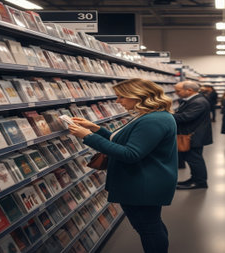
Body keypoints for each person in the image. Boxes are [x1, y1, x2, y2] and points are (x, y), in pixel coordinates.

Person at [68, 78, 178, 253]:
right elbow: (124, 141)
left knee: (148, 228)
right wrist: (96, 129)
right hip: (145, 179)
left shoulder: (153, 120)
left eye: (121, 97)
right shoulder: (153, 116)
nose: (118, 101)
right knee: (151, 224)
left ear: (138, 96)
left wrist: (88, 137)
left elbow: (130, 154)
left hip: (143, 183)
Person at [174, 81, 212, 190]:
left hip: (194, 136)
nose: (176, 93)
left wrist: (166, 115)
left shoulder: (198, 102)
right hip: (192, 134)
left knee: (195, 159)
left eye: (178, 91)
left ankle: (200, 182)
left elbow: (185, 117)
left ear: (189, 90)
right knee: (192, 159)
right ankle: (194, 179)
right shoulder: (192, 100)